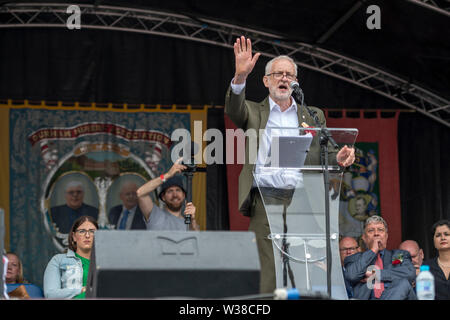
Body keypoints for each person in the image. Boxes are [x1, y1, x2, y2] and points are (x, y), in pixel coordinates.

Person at [224, 35, 356, 293]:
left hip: (303, 198)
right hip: (266, 198)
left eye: (289, 75)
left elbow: (326, 154)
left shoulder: (313, 114)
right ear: (266, 81)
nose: (284, 78)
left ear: (296, 82)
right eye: (278, 74)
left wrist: (339, 158)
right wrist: (240, 76)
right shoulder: (254, 111)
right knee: (270, 269)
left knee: (304, 268)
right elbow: (234, 109)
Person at [344, 216, 417, 300]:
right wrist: (373, 251)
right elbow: (352, 275)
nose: (376, 234)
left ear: (386, 236)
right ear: (364, 238)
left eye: (380, 230)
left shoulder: (397, 256)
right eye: (371, 230)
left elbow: (409, 273)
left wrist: (376, 274)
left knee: (403, 283)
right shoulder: (355, 258)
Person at [43, 215, 98, 299]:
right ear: (74, 236)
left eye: (92, 231)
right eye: (82, 231)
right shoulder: (58, 260)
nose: (87, 235)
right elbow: (50, 294)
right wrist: (82, 290)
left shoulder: (105, 263)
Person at [137, 159, 200, 231]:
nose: (175, 194)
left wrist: (193, 219)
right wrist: (168, 175)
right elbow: (140, 193)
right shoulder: (155, 214)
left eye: (178, 190)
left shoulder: (189, 223)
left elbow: (197, 240)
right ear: (163, 197)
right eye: (170, 191)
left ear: (184, 196)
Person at [422, 219, 450, 300]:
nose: (442, 238)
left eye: (447, 234)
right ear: (434, 241)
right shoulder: (426, 267)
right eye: (438, 235)